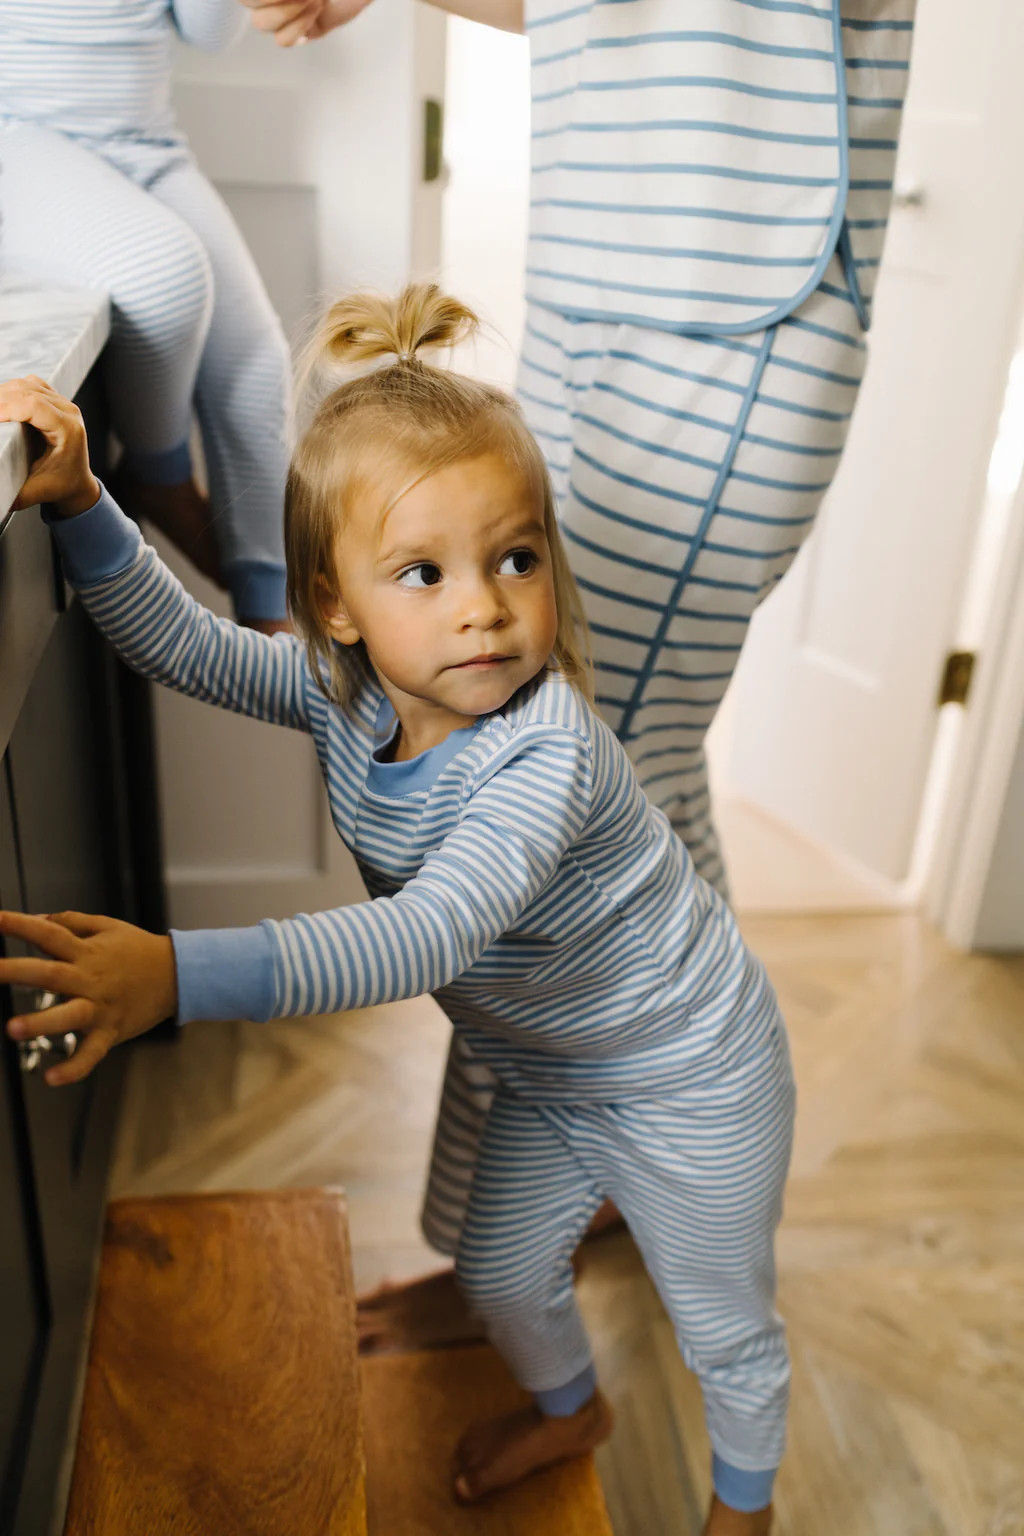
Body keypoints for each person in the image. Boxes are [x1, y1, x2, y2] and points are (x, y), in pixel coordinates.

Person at [0, 285, 796, 1534]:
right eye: (421, 572)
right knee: (495, 1270)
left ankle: (742, 1513)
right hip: (551, 1071)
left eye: (514, 559)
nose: (481, 604)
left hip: (691, 1069)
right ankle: (570, 1406)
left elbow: (422, 934)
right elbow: (187, 647)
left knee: (720, 1323)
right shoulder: (344, 694)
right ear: (335, 607)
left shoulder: (549, 755)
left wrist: (178, 975)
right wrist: (88, 504)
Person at [244, 0, 917, 1298]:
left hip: (728, 322)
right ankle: (623, 1180)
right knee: (643, 770)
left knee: (549, 819)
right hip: (608, 273)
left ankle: (502, 1257)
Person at [0, 0, 294, 632]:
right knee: (167, 276)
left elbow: (212, 32)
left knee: (259, 368)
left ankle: (282, 627)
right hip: (18, 140)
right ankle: (159, 474)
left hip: (145, 143)